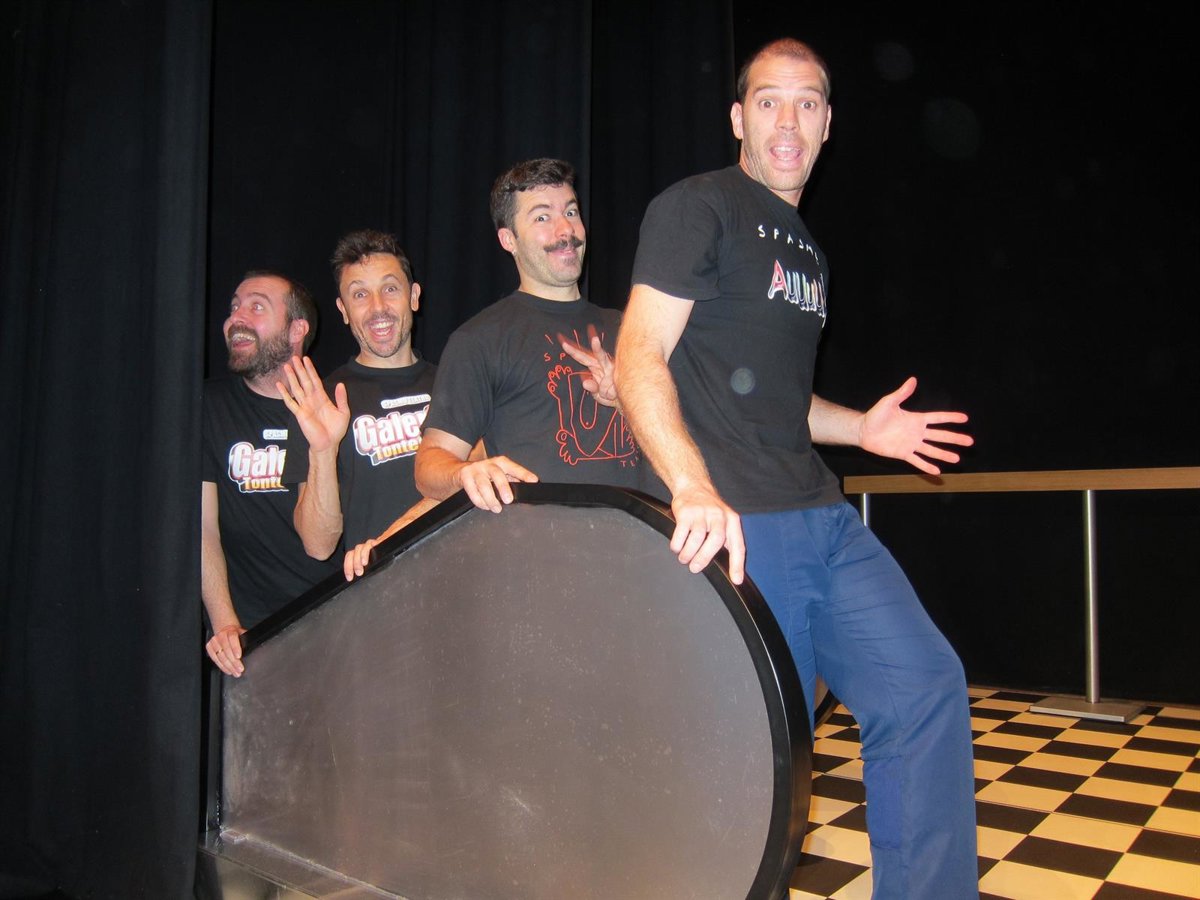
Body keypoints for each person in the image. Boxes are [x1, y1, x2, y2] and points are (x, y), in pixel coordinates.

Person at [614, 39, 979, 899]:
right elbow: (639, 352)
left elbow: (783, 401)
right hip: (740, 522)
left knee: (925, 689)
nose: (789, 120)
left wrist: (864, 430)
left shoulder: (809, 251)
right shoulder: (698, 206)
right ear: (738, 119)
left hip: (822, 513)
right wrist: (691, 485)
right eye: (769, 101)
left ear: (827, 125)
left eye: (807, 102)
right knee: (764, 760)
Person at [343, 158, 645, 578]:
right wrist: (465, 473)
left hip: (645, 563)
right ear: (508, 239)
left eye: (571, 211)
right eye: (542, 217)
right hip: (543, 576)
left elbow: (688, 437)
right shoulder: (480, 341)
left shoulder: (634, 328)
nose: (565, 230)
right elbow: (430, 466)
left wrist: (627, 400)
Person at [201, 271, 335, 677]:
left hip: (335, 625)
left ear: (297, 330)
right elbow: (202, 527)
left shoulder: (333, 404)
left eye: (256, 306)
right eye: (234, 307)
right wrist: (225, 624)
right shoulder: (209, 406)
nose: (236, 319)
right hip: (251, 639)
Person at [285, 230, 438, 559]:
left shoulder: (455, 384)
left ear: (414, 296)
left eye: (390, 288)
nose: (377, 307)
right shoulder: (321, 401)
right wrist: (323, 450)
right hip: (377, 585)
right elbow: (319, 546)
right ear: (343, 310)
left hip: (461, 577)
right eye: (360, 295)